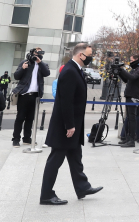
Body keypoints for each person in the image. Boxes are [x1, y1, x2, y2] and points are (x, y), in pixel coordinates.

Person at [40, 42, 102, 205]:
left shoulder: (75, 70)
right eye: (89, 55)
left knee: (75, 157)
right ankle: (46, 195)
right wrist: (69, 125)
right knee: (55, 159)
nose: (90, 57)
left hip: (72, 124)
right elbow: (66, 101)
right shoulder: (69, 71)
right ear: (81, 55)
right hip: (65, 126)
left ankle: (82, 187)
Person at [12, 47, 50, 147]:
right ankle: (16, 139)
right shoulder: (25, 62)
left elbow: (47, 73)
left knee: (30, 118)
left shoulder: (43, 64)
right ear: (32, 53)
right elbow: (16, 76)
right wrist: (22, 68)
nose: (37, 55)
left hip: (35, 96)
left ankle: (27, 139)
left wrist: (39, 62)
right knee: (20, 118)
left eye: (39, 53)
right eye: (35, 53)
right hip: (24, 95)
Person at [117, 54, 139, 148]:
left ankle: (132, 140)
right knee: (129, 117)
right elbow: (126, 79)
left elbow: (132, 78)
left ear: (136, 59)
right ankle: (127, 138)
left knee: (132, 118)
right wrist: (119, 71)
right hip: (130, 94)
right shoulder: (135, 68)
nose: (130, 61)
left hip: (134, 95)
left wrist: (122, 69)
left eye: (131, 60)